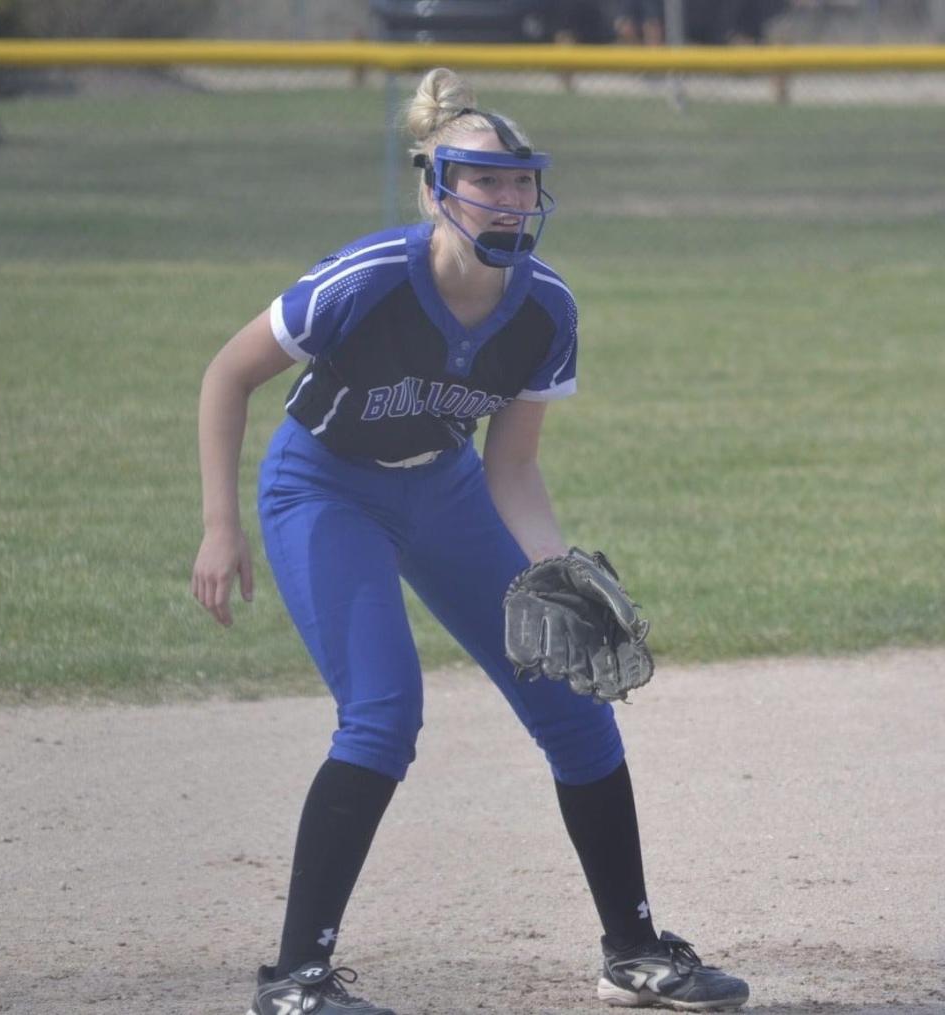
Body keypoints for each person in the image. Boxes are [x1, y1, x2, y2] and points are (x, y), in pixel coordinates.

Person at [191, 66, 750, 1015]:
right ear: (434, 187)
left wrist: (554, 569)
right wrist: (219, 525)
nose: (507, 198)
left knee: (576, 709)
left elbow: (513, 468)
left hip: (446, 492)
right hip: (325, 489)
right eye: (484, 179)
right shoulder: (365, 281)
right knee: (383, 712)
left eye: (521, 180)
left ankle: (633, 950)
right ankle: (294, 980)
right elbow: (226, 374)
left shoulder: (545, 309)